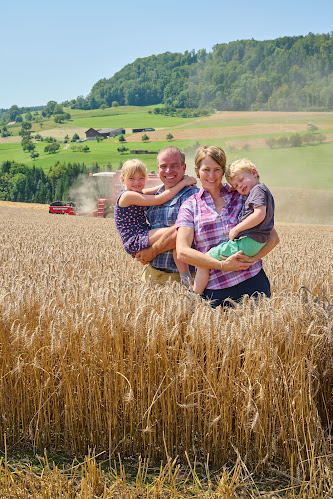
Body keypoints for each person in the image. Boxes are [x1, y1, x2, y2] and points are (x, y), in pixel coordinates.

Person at [176, 146, 279, 307]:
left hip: (253, 283)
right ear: (197, 171)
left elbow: (273, 237)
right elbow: (182, 252)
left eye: (217, 169)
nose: (211, 175)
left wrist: (252, 259)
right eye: (206, 169)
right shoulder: (190, 207)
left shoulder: (241, 195)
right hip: (216, 293)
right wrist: (223, 265)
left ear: (223, 171)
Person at [193, 158, 275, 294]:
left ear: (254, 173)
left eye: (241, 180)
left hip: (249, 242)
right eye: (236, 186)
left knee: (205, 260)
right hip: (255, 243)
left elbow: (259, 215)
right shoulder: (259, 191)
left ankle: (194, 295)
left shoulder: (257, 191)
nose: (240, 187)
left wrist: (237, 228)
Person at [114, 158, 197, 285]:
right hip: (136, 237)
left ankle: (184, 276)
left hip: (143, 232)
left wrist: (175, 181)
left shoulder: (136, 192)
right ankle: (186, 280)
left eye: (141, 178)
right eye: (131, 178)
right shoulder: (127, 196)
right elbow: (160, 198)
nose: (137, 182)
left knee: (178, 237)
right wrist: (183, 182)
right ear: (122, 179)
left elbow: (162, 188)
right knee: (179, 231)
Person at [135, 147, 199, 285]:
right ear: (158, 169)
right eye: (163, 167)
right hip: (151, 275)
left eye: (174, 166)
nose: (168, 171)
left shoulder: (193, 195)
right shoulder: (153, 196)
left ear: (184, 167)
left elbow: (181, 232)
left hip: (182, 279)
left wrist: (152, 251)